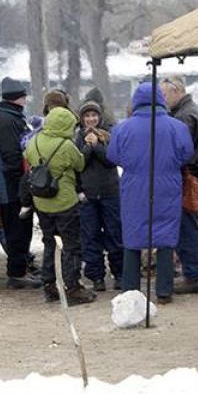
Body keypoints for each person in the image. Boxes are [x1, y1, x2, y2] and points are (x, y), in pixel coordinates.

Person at [108, 83, 194, 305]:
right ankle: (164, 291)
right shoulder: (177, 127)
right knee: (165, 235)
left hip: (134, 187)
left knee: (133, 236)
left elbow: (113, 155)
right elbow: (187, 153)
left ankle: (130, 291)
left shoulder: (122, 129)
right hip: (167, 185)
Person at [24, 105, 95, 305]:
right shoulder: (66, 145)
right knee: (71, 246)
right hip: (64, 202)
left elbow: (28, 159)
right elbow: (80, 164)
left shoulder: (34, 140)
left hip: (42, 202)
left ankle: (49, 285)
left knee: (49, 244)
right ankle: (72, 287)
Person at [0, 77, 40, 289]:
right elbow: (12, 155)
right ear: (17, 98)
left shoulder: (5, 117)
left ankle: (19, 268)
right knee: (18, 229)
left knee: (18, 228)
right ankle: (17, 273)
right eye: (23, 96)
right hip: (11, 186)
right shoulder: (8, 120)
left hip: (10, 184)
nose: (26, 100)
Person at [161, 76, 198, 295]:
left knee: (185, 227)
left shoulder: (185, 116)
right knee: (186, 226)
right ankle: (193, 272)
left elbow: (180, 150)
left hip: (185, 176)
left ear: (177, 91)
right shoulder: (188, 112)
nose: (163, 99)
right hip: (189, 175)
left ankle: (193, 274)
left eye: (165, 94)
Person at [75, 101, 123, 291]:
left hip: (110, 192)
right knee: (90, 237)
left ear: (100, 116)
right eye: (87, 116)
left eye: (94, 115)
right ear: (82, 119)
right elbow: (79, 164)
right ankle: (96, 277)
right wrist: (88, 147)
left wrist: (97, 146)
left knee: (114, 234)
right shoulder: (78, 138)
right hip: (88, 195)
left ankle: (119, 273)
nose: (91, 119)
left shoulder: (109, 136)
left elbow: (112, 161)